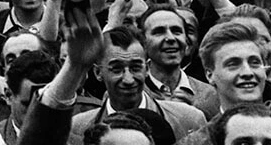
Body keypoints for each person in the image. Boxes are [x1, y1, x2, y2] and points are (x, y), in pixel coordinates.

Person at [69, 26, 205, 145]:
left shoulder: (188, 120)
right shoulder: (77, 129)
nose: (128, 79)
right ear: (98, 72)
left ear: (147, 68)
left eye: (135, 67)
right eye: (116, 69)